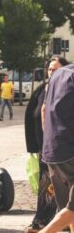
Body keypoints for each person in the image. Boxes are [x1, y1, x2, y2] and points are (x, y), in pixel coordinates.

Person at [24, 56, 69, 233]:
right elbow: (32, 117)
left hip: (64, 149)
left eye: (55, 69)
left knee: (62, 189)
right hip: (46, 149)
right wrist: (33, 148)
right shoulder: (42, 90)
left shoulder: (67, 89)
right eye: (49, 69)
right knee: (47, 187)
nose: (51, 72)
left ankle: (59, 222)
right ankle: (43, 221)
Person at [39, 62, 74, 233]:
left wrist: (50, 139)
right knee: (72, 211)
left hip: (52, 150)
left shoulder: (59, 74)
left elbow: (44, 110)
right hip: (70, 150)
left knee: (69, 209)